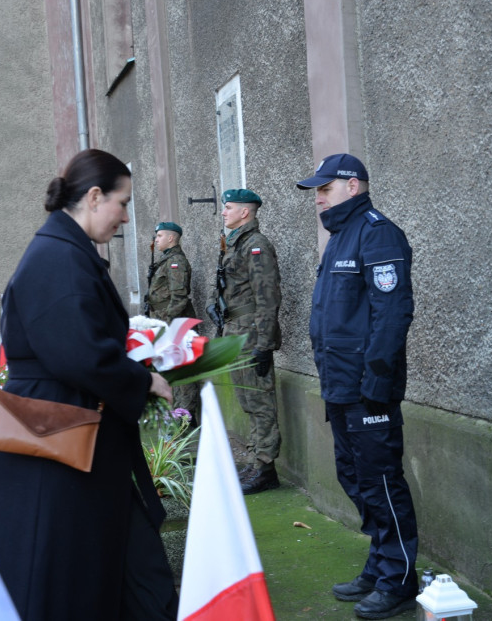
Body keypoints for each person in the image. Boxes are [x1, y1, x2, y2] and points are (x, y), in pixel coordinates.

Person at [0, 149, 178, 621]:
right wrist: (142, 379)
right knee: (60, 571)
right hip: (59, 443)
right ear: (92, 196)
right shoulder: (58, 258)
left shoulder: (64, 251)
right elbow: (79, 352)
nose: (125, 217)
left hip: (74, 439)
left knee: (126, 564)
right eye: (121, 203)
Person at [296, 154, 418, 619]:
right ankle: (381, 561)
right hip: (340, 385)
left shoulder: (377, 232)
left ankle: (399, 579)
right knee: (354, 477)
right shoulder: (340, 236)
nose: (319, 197)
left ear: (353, 185)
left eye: (325, 188)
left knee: (381, 481)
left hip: (368, 390)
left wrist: (377, 383)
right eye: (316, 191)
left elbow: (392, 314)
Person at [211, 188, 282, 495]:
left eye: (229, 207)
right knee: (247, 400)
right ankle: (255, 460)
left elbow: (267, 297)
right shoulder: (235, 244)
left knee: (260, 401)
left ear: (245, 212)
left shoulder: (256, 245)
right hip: (236, 332)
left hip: (251, 333)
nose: (224, 212)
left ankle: (265, 467)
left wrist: (264, 344)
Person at [146, 221, 200, 421]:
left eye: (159, 236)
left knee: (183, 373)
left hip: (176, 324)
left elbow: (179, 296)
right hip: (166, 322)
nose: (156, 239)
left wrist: (167, 323)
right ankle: (178, 414)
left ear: (171, 238)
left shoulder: (175, 261)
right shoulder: (165, 260)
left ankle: (186, 418)